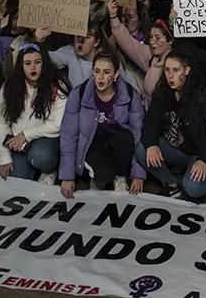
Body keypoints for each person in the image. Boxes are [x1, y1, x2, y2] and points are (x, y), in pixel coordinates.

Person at [58, 52, 146, 198]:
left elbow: (138, 134)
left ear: (116, 74)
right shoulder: (79, 94)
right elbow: (69, 135)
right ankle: (97, 176)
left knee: (125, 138)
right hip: (91, 144)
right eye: (97, 71)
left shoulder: (130, 95)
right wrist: (67, 176)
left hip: (118, 144)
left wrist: (138, 174)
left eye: (106, 72)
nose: (100, 77)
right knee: (104, 175)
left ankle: (120, 176)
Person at [137, 51, 206, 200]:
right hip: (176, 150)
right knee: (142, 149)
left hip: (199, 153)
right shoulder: (162, 91)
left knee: (193, 189)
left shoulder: (203, 96)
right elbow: (151, 121)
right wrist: (152, 144)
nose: (170, 75)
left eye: (176, 70)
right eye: (167, 70)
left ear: (186, 71)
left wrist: (204, 160)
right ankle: (171, 184)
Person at [0, 43, 67, 183]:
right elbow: (0, 121)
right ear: (21, 66)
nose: (33, 67)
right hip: (18, 143)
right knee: (15, 181)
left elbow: (58, 123)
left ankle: (48, 170)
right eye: (27, 63)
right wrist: (4, 158)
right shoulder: (9, 87)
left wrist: (26, 135)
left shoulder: (57, 85)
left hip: (45, 139)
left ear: (44, 63)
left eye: (37, 62)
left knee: (41, 156)